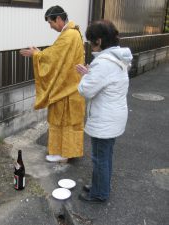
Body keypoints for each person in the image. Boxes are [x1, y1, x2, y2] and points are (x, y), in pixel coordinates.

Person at [76, 20, 133, 203]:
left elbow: (85, 90)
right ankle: (100, 186)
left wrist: (85, 76)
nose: (90, 44)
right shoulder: (117, 57)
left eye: (91, 40)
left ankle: (100, 193)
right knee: (105, 156)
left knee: (100, 157)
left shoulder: (103, 63)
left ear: (99, 41)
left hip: (105, 118)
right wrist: (91, 74)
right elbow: (103, 81)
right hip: (113, 115)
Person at [20, 5, 85, 163]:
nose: (50, 26)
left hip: (66, 88)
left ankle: (62, 154)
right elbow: (57, 54)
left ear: (59, 19)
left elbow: (54, 56)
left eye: (51, 23)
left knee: (63, 122)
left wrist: (36, 55)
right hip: (70, 86)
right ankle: (66, 152)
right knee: (68, 122)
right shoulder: (73, 33)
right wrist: (40, 54)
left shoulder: (69, 34)